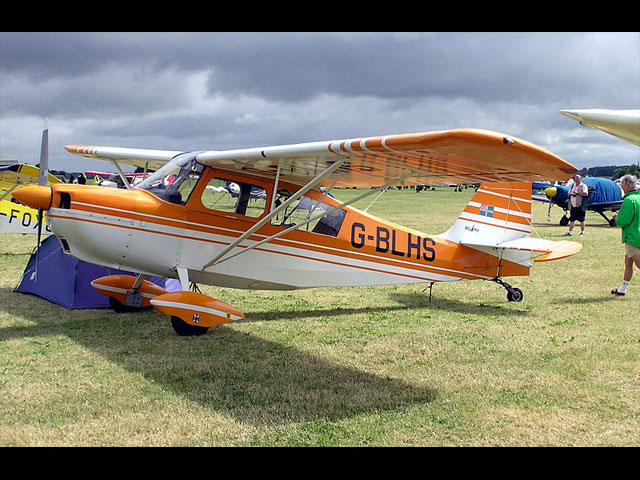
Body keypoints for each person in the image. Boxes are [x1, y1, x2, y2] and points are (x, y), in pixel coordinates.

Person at [611, 174, 640, 296]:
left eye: (622, 184)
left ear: (628, 185)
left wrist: (617, 219)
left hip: (633, 236)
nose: (621, 186)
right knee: (628, 261)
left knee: (638, 263)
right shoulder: (638, 197)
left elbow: (624, 220)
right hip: (637, 233)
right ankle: (622, 289)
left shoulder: (629, 200)